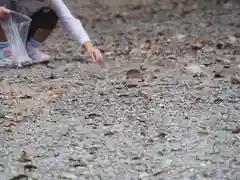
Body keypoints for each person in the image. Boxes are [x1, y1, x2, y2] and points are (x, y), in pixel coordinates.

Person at [0, 0, 103, 67]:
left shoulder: (52, 2)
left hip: (25, 28)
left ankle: (31, 48)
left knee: (50, 14)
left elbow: (69, 20)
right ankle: (5, 51)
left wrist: (89, 46)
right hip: (6, 29)